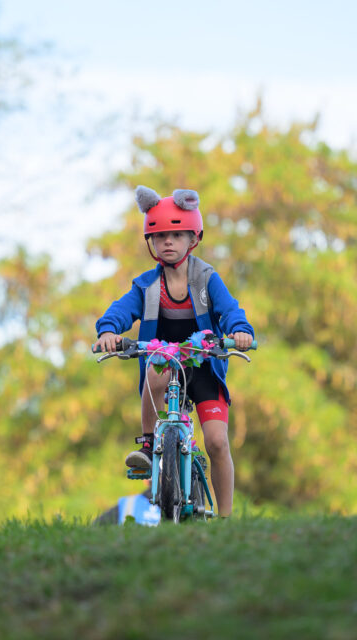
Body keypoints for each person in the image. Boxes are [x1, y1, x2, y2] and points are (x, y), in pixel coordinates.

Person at [93, 185, 254, 518]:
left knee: (217, 442)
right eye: (160, 235)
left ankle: (226, 518)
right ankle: (150, 447)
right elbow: (122, 310)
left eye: (177, 234)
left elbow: (230, 310)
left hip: (205, 366)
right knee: (154, 370)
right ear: (150, 242)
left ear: (193, 239)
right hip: (165, 362)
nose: (168, 241)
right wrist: (108, 330)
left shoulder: (207, 278)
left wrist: (240, 331)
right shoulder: (146, 286)